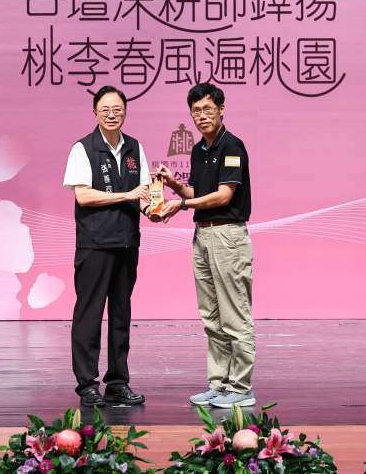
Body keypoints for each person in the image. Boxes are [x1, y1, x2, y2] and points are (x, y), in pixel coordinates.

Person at [157, 82, 255, 408]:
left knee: (234, 313)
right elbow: (197, 194)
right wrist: (174, 185)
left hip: (228, 236)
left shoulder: (232, 146)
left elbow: (224, 196)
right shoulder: (199, 150)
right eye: (196, 111)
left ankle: (241, 387)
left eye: (208, 109)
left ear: (221, 109)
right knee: (211, 315)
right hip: (203, 235)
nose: (202, 116)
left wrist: (183, 204)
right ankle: (219, 384)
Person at [62, 85, 159, 407]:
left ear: (125, 112)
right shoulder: (83, 148)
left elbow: (143, 194)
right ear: (95, 113)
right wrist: (127, 195)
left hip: (127, 242)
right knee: (89, 315)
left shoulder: (134, 148)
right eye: (105, 109)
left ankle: (117, 382)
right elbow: (83, 195)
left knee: (121, 314)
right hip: (95, 243)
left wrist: (153, 211)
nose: (112, 114)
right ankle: (87, 384)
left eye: (117, 109)